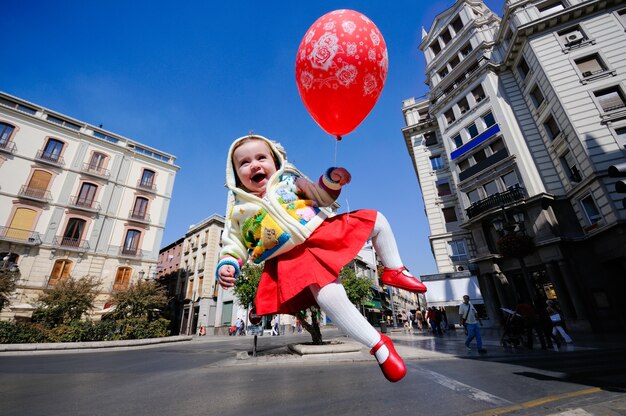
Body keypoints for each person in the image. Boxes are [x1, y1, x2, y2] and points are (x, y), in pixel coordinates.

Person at [216, 134, 428, 382]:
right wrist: (228, 263)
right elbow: (234, 243)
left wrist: (331, 180)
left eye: (261, 157)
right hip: (291, 258)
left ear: (274, 161)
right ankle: (379, 346)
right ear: (235, 175)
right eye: (244, 163)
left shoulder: (290, 181)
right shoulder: (238, 211)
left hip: (320, 232)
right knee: (329, 296)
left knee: (375, 220)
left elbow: (321, 195)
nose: (254, 165)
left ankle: (394, 270)